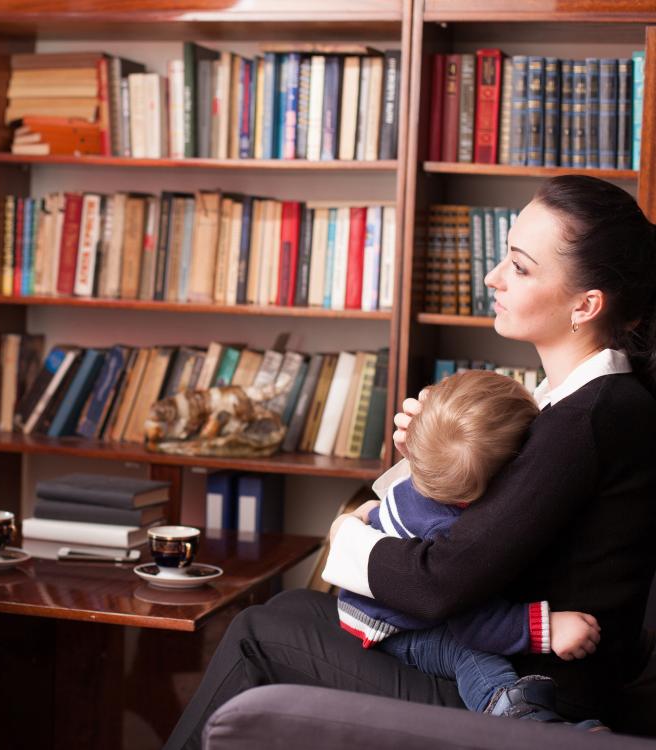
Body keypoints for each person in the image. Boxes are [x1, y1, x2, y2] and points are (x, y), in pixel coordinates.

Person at [164, 175, 656, 749]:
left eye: (520, 268)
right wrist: (426, 458)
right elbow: (489, 527)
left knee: (259, 632)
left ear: (585, 304)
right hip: (495, 653)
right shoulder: (566, 402)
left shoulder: (590, 417)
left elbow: (440, 582)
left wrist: (347, 540)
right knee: (290, 610)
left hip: (519, 693)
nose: (493, 277)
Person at [336, 368, 602, 727]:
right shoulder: (445, 530)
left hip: (372, 598)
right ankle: (521, 720)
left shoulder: (425, 476)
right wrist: (546, 628)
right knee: (469, 653)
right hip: (393, 627)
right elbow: (471, 622)